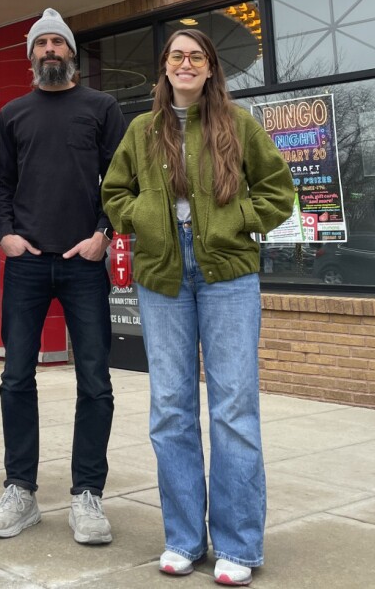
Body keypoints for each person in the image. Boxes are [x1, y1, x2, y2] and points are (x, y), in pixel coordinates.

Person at [102, 29, 294, 586]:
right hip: (163, 274)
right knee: (171, 408)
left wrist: (237, 221)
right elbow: (114, 193)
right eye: (176, 56)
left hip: (228, 274)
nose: (185, 64)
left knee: (233, 407)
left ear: (210, 69)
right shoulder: (141, 130)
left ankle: (237, 544)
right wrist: (142, 218)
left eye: (196, 57)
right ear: (164, 68)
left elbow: (278, 191)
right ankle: (184, 538)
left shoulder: (238, 124)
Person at [0, 8, 125, 544]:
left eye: (57, 43)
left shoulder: (101, 107)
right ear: (31, 57)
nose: (49, 50)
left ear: (70, 54)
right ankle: (20, 490)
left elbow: (119, 179)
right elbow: (0, 184)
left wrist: (103, 234)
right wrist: (7, 234)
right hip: (26, 263)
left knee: (96, 381)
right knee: (16, 377)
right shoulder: (15, 113)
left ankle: (88, 494)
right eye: (40, 44)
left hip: (83, 262)